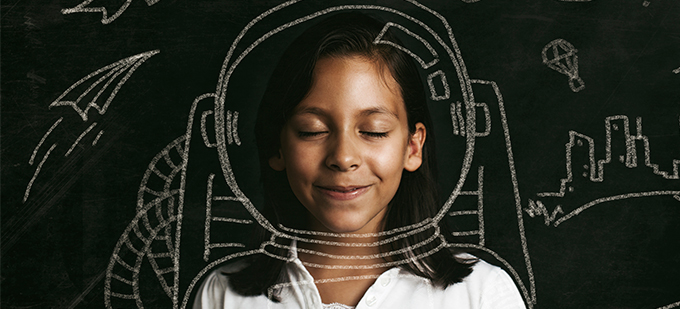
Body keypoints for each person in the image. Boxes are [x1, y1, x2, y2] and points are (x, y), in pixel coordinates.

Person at [194, 12, 526, 309]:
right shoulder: (223, 296)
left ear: (412, 147)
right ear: (277, 148)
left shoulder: (481, 295)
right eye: (312, 131)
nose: (343, 157)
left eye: (373, 131)